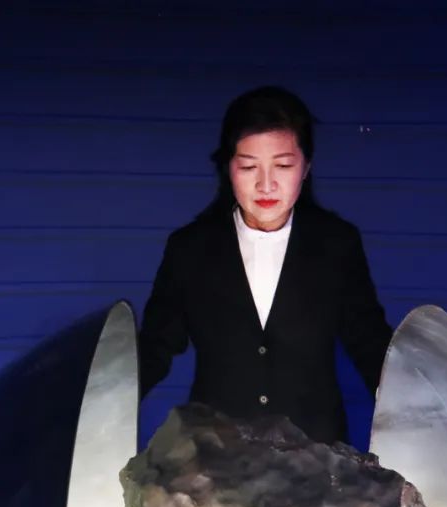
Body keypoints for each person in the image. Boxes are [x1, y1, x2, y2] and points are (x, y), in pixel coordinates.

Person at [138, 85, 393, 445]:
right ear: (228, 168)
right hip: (216, 452)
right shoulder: (189, 248)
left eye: (283, 165)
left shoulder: (337, 244)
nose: (266, 184)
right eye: (248, 166)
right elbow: (156, 347)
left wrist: (412, 406)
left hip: (314, 453)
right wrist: (106, 399)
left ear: (306, 167)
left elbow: (369, 341)